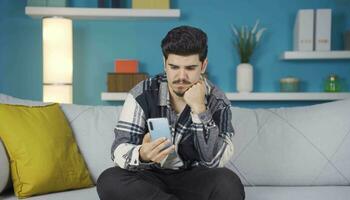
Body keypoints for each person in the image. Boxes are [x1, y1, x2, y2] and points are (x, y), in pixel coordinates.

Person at [96, 25, 245, 200]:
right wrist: (142, 154)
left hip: (194, 178)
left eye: (190, 68)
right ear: (164, 63)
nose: (181, 76)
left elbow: (213, 161)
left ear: (203, 65)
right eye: (174, 67)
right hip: (149, 177)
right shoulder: (142, 94)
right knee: (109, 180)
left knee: (229, 184)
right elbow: (119, 149)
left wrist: (200, 109)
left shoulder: (217, 100)